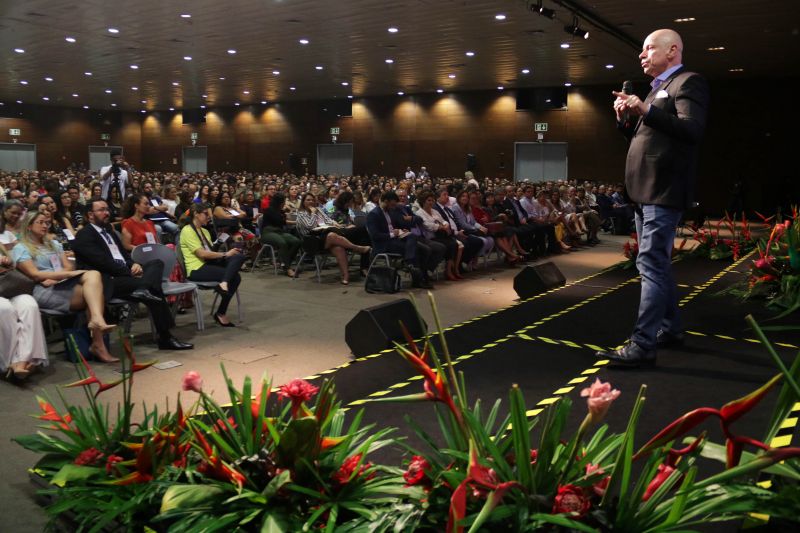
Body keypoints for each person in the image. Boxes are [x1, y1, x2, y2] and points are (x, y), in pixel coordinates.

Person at [597, 28, 709, 368]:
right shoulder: (657, 89)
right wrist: (625, 120)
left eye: (648, 49)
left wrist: (646, 110)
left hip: (663, 190)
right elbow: (650, 136)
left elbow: (691, 130)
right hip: (645, 191)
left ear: (672, 50)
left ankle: (643, 345)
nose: (642, 55)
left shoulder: (688, 82)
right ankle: (670, 328)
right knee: (655, 264)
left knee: (649, 264)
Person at [72, 199, 193, 350]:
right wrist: (128, 271)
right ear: (90, 215)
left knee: (156, 263)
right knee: (155, 291)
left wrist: (133, 264)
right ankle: (165, 337)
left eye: (107, 209)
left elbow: (123, 255)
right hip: (108, 280)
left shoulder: (109, 232)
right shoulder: (84, 235)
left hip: (125, 274)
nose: (107, 213)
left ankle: (144, 289)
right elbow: (102, 263)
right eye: (101, 210)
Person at [12, 210, 118, 363]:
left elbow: (68, 266)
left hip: (60, 283)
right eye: (40, 222)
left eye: (47, 223)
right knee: (94, 294)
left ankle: (96, 322)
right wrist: (63, 275)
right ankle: (98, 341)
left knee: (94, 275)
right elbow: (34, 274)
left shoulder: (53, 243)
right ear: (28, 226)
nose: (45, 226)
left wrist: (59, 276)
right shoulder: (21, 248)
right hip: (43, 289)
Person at [179, 203, 246, 326]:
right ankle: (221, 312)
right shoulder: (187, 230)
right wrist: (225, 254)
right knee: (235, 277)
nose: (209, 217)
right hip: (196, 269)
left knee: (239, 256)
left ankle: (224, 283)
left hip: (208, 264)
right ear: (196, 214)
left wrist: (219, 242)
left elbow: (209, 252)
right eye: (206, 214)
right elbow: (202, 254)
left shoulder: (204, 231)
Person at [295, 192, 370, 285]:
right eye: (308, 200)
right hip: (311, 241)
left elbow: (328, 220)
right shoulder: (301, 213)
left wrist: (337, 224)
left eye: (312, 200)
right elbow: (309, 226)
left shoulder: (318, 209)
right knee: (333, 235)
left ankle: (345, 276)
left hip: (325, 236)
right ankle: (358, 248)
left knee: (338, 248)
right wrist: (313, 214)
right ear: (303, 202)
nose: (311, 202)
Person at [0, 246, 48, 381]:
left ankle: (26, 359)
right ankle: (9, 362)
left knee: (29, 305)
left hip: (8, 287)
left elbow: (14, 266)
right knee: (4, 308)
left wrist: (8, 262)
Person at [366, 191, 430, 288]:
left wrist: (401, 230)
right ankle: (419, 278)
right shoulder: (373, 214)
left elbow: (397, 225)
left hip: (395, 239)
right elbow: (375, 236)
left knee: (413, 237)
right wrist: (392, 234)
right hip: (383, 244)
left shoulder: (390, 211)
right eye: (392, 205)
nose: (393, 207)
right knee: (418, 249)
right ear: (386, 201)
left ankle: (410, 263)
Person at [259, 192, 301, 277]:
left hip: (279, 232)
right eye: (283, 202)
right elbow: (280, 222)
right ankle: (288, 267)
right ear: (279, 202)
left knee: (296, 241)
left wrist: (284, 213)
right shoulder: (268, 210)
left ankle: (285, 262)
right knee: (282, 243)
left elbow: (282, 223)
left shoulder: (280, 211)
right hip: (267, 232)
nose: (284, 203)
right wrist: (285, 216)